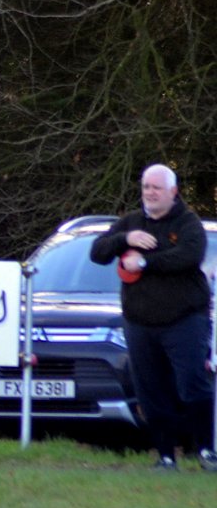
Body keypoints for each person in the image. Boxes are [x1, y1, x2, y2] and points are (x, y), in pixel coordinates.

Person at [90, 164, 217, 472]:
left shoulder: (187, 223)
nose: (150, 193)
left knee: (192, 385)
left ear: (173, 191)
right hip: (140, 322)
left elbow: (188, 257)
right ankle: (165, 457)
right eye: (146, 187)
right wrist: (125, 239)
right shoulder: (131, 223)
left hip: (184, 319)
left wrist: (145, 262)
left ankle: (205, 450)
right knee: (150, 391)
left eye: (156, 188)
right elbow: (98, 252)